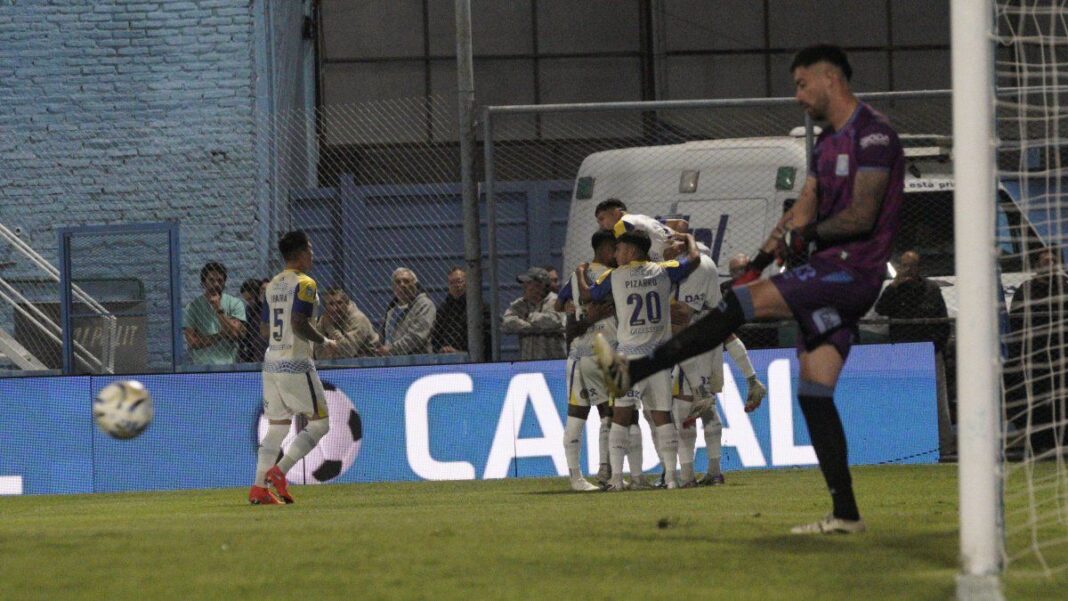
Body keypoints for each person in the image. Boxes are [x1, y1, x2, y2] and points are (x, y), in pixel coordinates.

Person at [594, 44, 904, 533]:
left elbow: (861, 216)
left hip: (852, 270)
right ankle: (846, 514)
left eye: (802, 84)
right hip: (829, 271)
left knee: (738, 305)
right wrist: (762, 258)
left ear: (829, 79)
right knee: (814, 390)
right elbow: (801, 208)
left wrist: (803, 238)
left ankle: (634, 371)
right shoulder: (825, 143)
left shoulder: (875, 135)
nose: (799, 95)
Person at [579, 229, 699, 491]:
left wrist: (579, 273)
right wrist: (689, 239)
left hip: (627, 358)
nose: (615, 253)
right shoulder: (664, 270)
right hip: (657, 358)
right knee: (662, 415)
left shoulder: (615, 275)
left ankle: (616, 480)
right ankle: (670, 478)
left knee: (621, 414)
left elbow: (589, 295)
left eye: (619, 249)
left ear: (632, 251)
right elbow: (695, 259)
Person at [664, 241, 765, 487]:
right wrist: (751, 377)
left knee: (683, 412)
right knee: (708, 408)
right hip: (712, 351)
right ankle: (714, 472)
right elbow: (730, 337)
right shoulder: (714, 299)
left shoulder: (681, 288)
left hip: (691, 352)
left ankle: (687, 477)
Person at [250, 230, 338, 505]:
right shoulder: (306, 284)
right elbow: (300, 324)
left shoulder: (272, 285)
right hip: (295, 363)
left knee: (277, 428)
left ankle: (258, 489)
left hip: (271, 361)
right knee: (321, 423)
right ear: (300, 254)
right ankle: (280, 472)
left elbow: (265, 329)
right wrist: (325, 340)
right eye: (310, 250)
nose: (312, 254)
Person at [555, 231, 618, 491]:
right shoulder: (613, 276)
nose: (620, 254)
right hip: (603, 350)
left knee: (578, 416)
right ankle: (606, 472)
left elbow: (559, 304)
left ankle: (577, 477)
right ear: (606, 250)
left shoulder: (575, 274)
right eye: (617, 249)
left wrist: (572, 308)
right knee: (610, 414)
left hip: (578, 351)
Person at [874, 250, 953, 456]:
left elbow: (942, 322)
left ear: (919, 268)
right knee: (904, 398)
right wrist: (893, 286)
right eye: (903, 265)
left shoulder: (930, 289)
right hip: (903, 351)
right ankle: (908, 446)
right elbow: (881, 309)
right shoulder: (894, 289)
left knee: (938, 400)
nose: (907, 270)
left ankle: (944, 447)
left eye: (911, 266)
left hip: (929, 350)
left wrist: (936, 347)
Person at [1006, 247, 1068, 454]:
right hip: (1035, 354)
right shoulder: (1026, 289)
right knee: (1035, 400)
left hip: (1062, 354)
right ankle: (1039, 443)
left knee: (1062, 399)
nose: (1049, 265)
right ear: (1036, 266)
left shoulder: (1065, 286)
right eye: (1045, 262)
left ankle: (1062, 441)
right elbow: (1016, 322)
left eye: (1052, 261)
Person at [183, 261, 246, 365]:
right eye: (211, 280)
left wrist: (218, 309)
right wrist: (221, 335)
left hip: (229, 365)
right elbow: (192, 342)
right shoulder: (192, 307)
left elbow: (234, 334)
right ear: (203, 282)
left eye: (220, 280)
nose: (216, 284)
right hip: (201, 366)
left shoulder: (235, 303)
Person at [501, 267, 567, 360]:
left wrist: (527, 316)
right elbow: (507, 323)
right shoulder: (520, 303)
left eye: (528, 283)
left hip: (552, 361)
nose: (524, 286)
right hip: (528, 361)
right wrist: (532, 326)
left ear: (541, 285)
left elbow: (552, 321)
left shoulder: (555, 301)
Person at [430, 266, 491, 358]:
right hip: (447, 358)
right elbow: (436, 337)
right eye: (452, 283)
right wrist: (442, 349)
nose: (456, 286)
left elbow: (487, 337)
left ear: (468, 282)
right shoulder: (443, 310)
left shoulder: (480, 308)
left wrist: (462, 353)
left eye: (459, 281)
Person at [594, 198, 680, 261]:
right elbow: (682, 224)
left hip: (662, 262)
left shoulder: (620, 225)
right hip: (677, 256)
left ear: (616, 213)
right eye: (598, 222)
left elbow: (627, 257)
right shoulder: (642, 217)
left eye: (602, 219)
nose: (601, 225)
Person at [377, 267, 436, 356]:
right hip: (392, 361)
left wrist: (391, 350)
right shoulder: (391, 312)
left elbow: (417, 336)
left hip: (417, 361)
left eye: (406, 281)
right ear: (393, 288)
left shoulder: (425, 305)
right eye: (398, 282)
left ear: (415, 284)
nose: (402, 285)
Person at [316, 287, 379, 359]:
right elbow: (318, 352)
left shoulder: (358, 319)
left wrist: (330, 328)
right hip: (336, 363)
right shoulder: (324, 319)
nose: (335, 308)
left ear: (347, 303)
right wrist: (329, 354)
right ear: (326, 306)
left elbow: (347, 351)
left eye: (339, 303)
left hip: (367, 362)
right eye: (331, 304)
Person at [238, 278, 269, 363]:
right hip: (255, 351)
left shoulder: (267, 308)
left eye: (250, 299)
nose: (249, 302)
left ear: (258, 294)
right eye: (246, 300)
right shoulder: (249, 310)